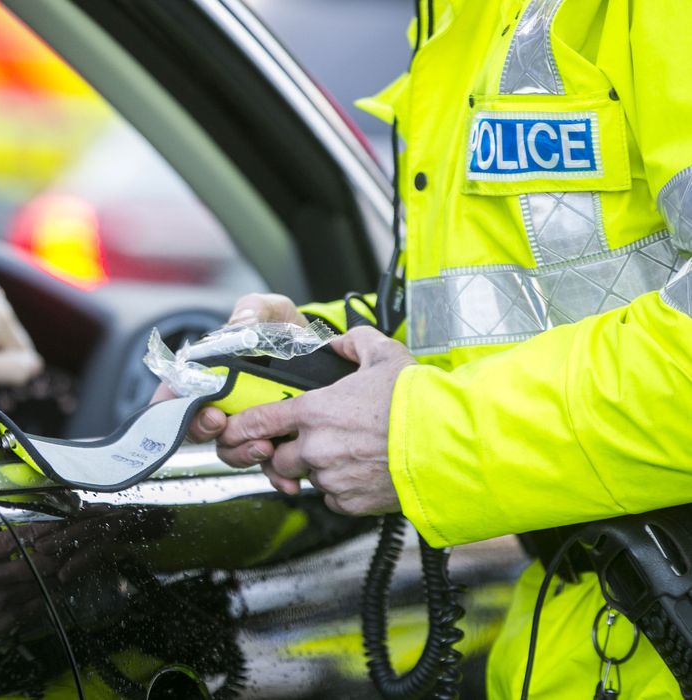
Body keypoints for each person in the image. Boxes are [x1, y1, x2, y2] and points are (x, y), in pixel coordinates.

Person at [175, 0, 692, 697]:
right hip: (593, 623)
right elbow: (494, 317)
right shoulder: (463, 19)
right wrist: (305, 357)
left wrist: (419, 435)